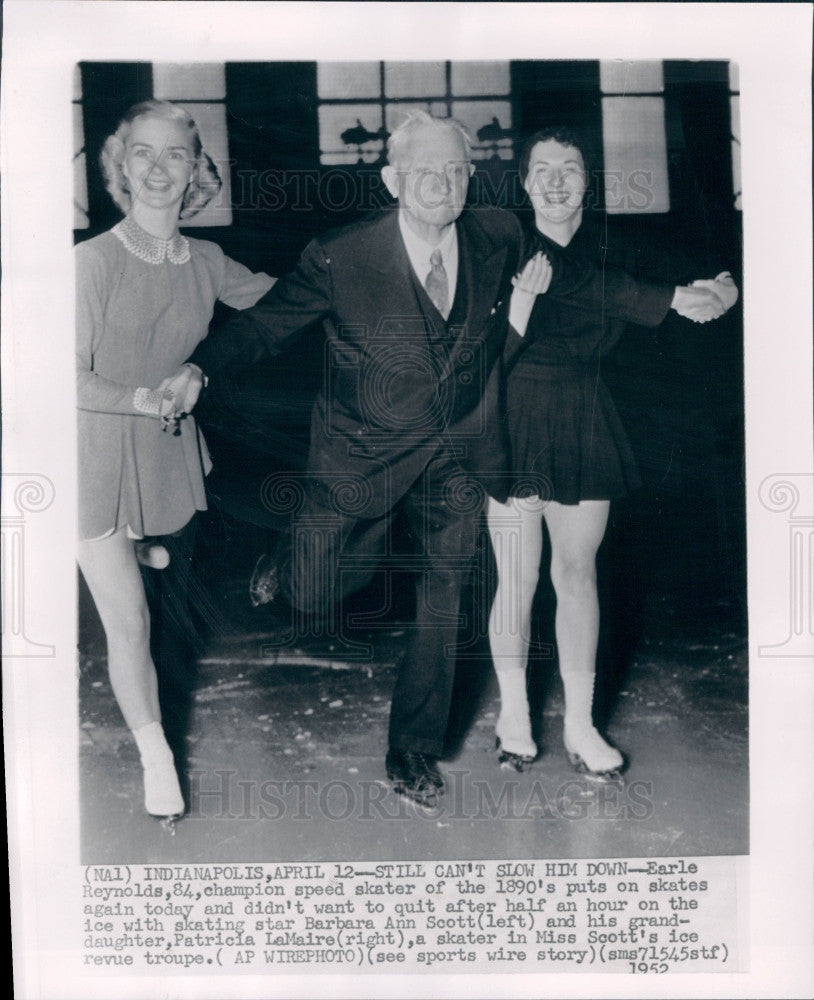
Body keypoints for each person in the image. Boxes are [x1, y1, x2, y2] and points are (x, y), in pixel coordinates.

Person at [186, 110, 728, 807]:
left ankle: (412, 748)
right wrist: (200, 371)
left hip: (462, 455)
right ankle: (289, 567)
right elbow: (264, 326)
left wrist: (675, 298)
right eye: (424, 171)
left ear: (470, 177)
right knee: (317, 591)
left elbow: (570, 280)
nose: (440, 184)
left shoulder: (497, 234)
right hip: (365, 453)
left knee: (445, 598)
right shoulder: (341, 254)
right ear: (392, 179)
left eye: (454, 170)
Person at [487, 126, 739, 779]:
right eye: (541, 168)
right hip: (516, 417)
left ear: (588, 182)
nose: (555, 180)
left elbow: (638, 281)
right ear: (523, 182)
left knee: (576, 574)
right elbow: (508, 337)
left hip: (585, 417)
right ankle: (514, 714)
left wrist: (716, 289)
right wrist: (673, 299)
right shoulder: (501, 243)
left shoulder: (612, 254)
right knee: (516, 576)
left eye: (569, 167)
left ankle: (580, 724)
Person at [76, 100, 274, 826]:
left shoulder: (209, 262)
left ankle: (150, 556)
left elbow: (289, 307)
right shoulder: (91, 261)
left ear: (198, 171)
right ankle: (157, 756)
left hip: (166, 461)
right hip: (91, 453)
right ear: (121, 169)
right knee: (128, 622)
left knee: (163, 617)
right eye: (144, 154)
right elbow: (61, 376)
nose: (160, 168)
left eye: (177, 155)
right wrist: (143, 398)